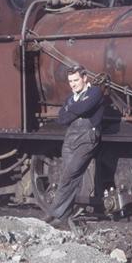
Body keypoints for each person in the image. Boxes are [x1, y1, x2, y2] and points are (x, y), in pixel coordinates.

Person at [46, 65, 104, 230]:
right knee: (66, 176)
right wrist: (75, 109)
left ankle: (54, 213)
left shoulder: (95, 92)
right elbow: (62, 119)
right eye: (70, 81)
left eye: (76, 80)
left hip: (87, 138)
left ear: (85, 78)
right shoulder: (71, 98)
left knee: (70, 174)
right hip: (70, 139)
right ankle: (63, 216)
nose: (73, 84)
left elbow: (82, 108)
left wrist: (72, 109)